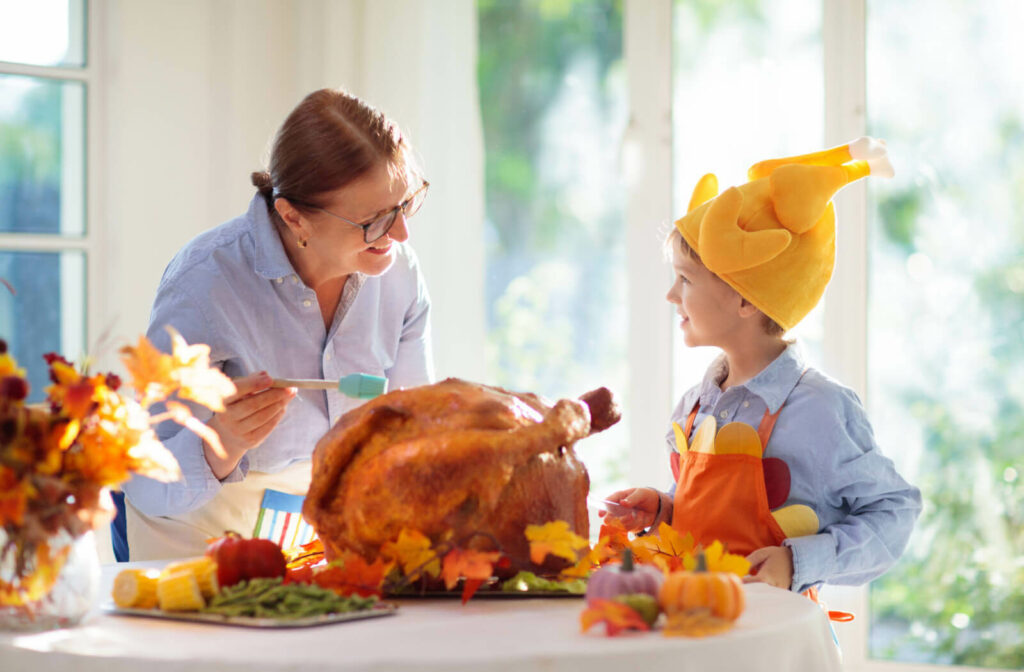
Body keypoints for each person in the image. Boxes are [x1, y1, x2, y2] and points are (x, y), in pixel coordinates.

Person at [117, 89, 434, 560]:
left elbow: (414, 431)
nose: (402, 234)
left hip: (313, 527)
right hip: (195, 533)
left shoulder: (398, 273)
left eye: (406, 205)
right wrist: (220, 443)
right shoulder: (204, 284)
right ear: (293, 217)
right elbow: (146, 477)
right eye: (375, 220)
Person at [604, 138, 922, 595]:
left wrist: (798, 562)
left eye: (686, 280)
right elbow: (709, 516)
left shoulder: (821, 408)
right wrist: (663, 509)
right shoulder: (696, 403)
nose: (671, 296)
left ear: (745, 300)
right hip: (697, 627)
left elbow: (895, 510)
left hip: (773, 643)